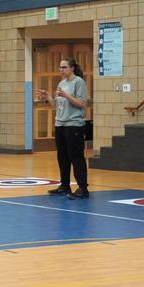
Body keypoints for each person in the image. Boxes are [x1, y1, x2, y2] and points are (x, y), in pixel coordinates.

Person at [37, 57, 90, 200]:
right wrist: (48, 96)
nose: (61, 70)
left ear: (72, 68)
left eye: (64, 67)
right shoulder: (61, 83)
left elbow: (82, 103)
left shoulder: (79, 82)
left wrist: (66, 95)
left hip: (73, 124)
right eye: (60, 67)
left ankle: (83, 188)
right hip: (60, 124)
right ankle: (64, 185)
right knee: (63, 157)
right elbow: (56, 106)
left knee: (76, 156)